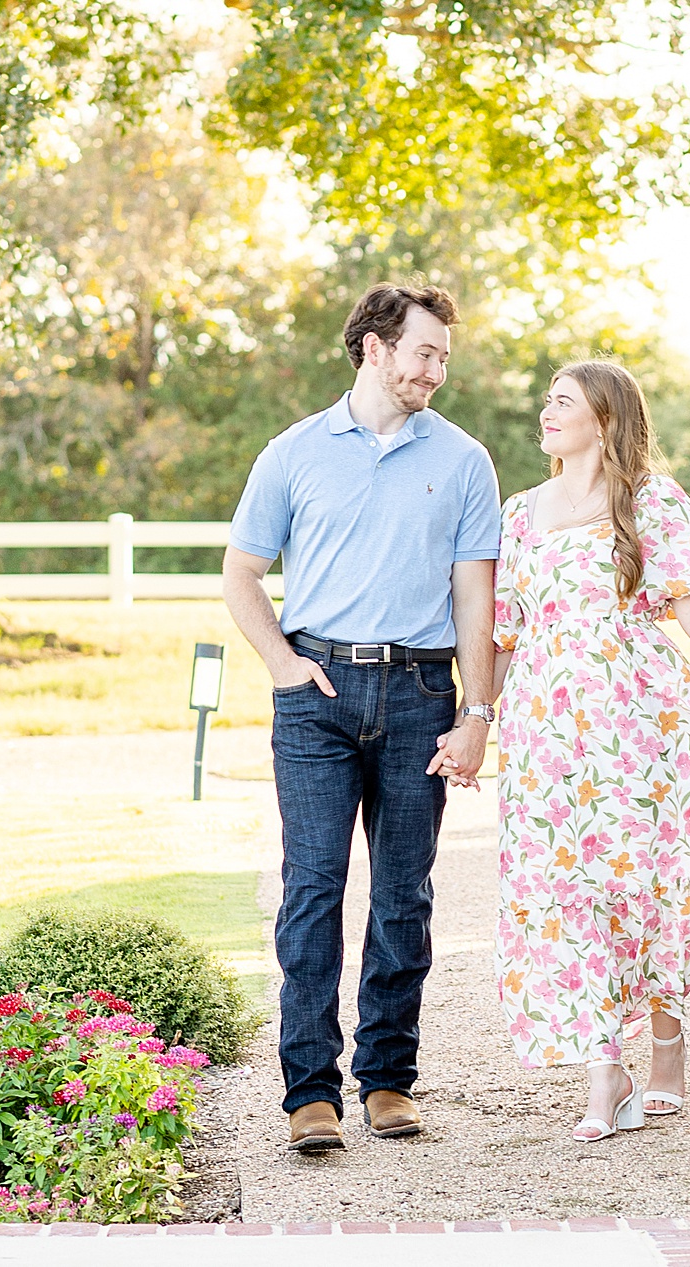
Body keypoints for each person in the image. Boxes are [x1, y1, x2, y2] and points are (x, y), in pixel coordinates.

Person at [476, 359, 690, 1141]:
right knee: (565, 889)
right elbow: (504, 635)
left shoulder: (649, 501)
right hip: (547, 733)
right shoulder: (520, 512)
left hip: (638, 723)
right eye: (545, 398)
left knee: (641, 883)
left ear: (605, 419)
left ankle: (667, 1036)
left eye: (563, 402)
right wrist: (475, 718)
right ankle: (604, 1070)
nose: (545, 412)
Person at [222, 283, 501, 1153]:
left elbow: (473, 597)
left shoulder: (464, 461)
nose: (436, 371)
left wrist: (478, 711)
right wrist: (283, 665)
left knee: (404, 893)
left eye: (443, 358)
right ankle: (310, 1090)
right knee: (313, 889)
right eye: (424, 353)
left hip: (422, 697)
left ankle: (386, 1077)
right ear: (375, 349)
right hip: (319, 697)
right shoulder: (295, 451)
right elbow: (241, 572)